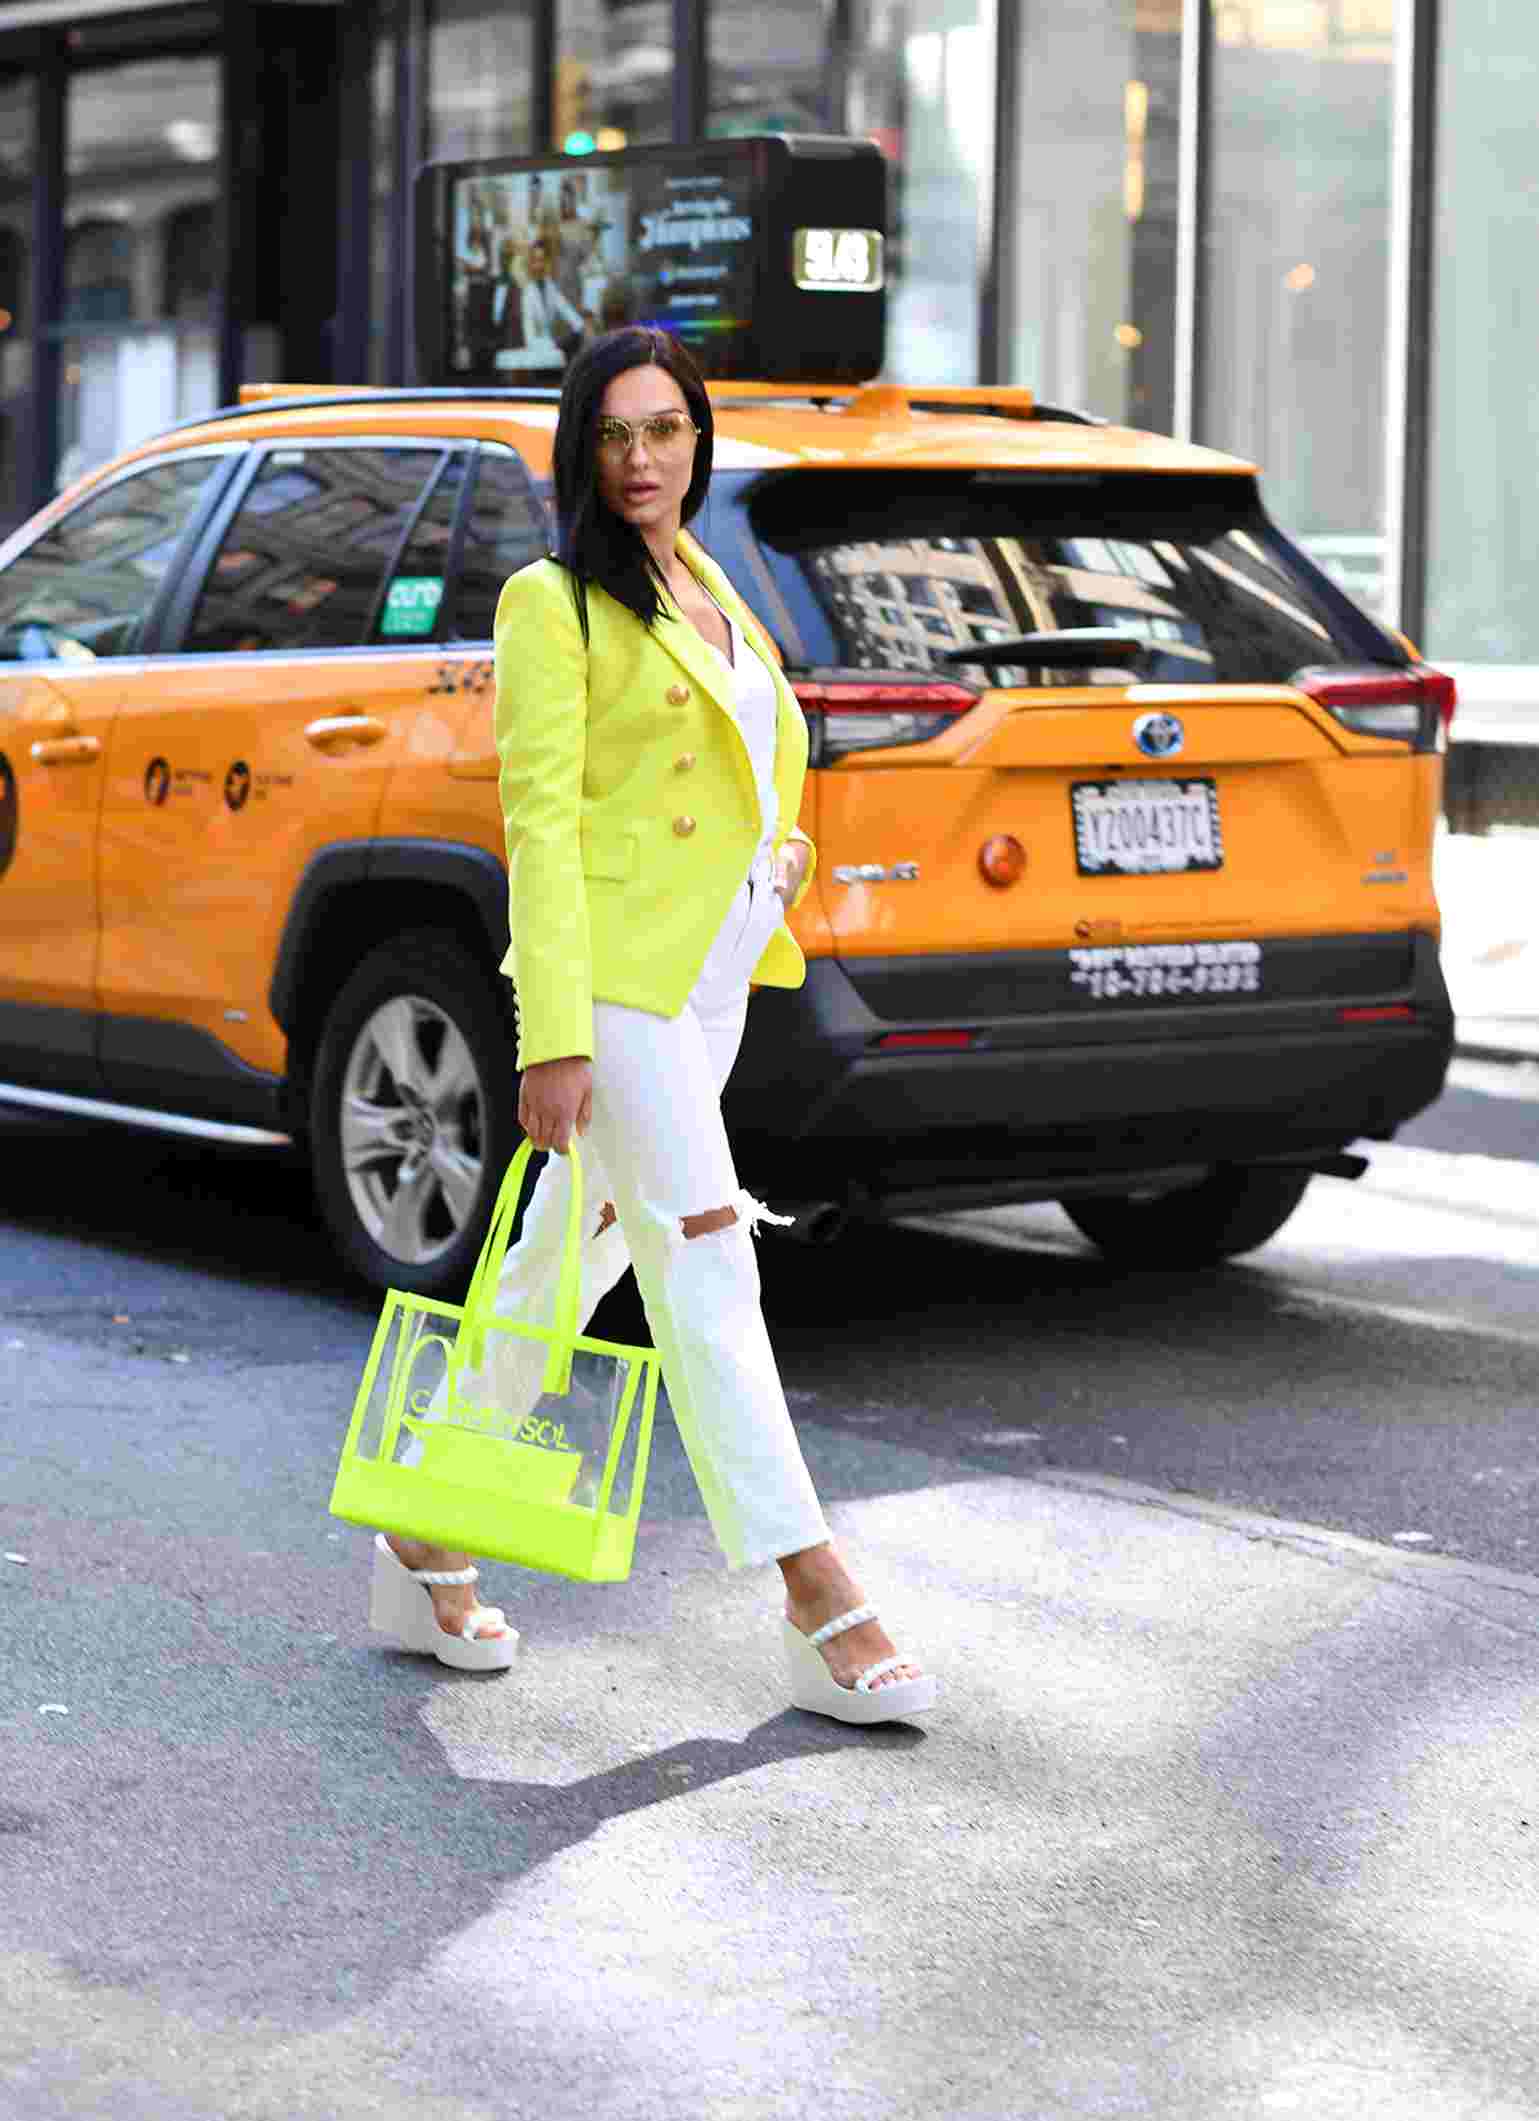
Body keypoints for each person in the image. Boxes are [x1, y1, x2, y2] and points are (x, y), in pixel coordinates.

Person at [371, 326, 937, 1725]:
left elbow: (755, 746)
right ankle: (818, 1592)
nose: (642, 460)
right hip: (614, 984)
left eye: (666, 430)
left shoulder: (704, 572)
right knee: (705, 1259)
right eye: (615, 436)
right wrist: (550, 1033)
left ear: (699, 433)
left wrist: (779, 859)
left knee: (576, 1251)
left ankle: (423, 1531)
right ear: (582, 448)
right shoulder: (552, 601)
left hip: (711, 969)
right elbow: (543, 830)